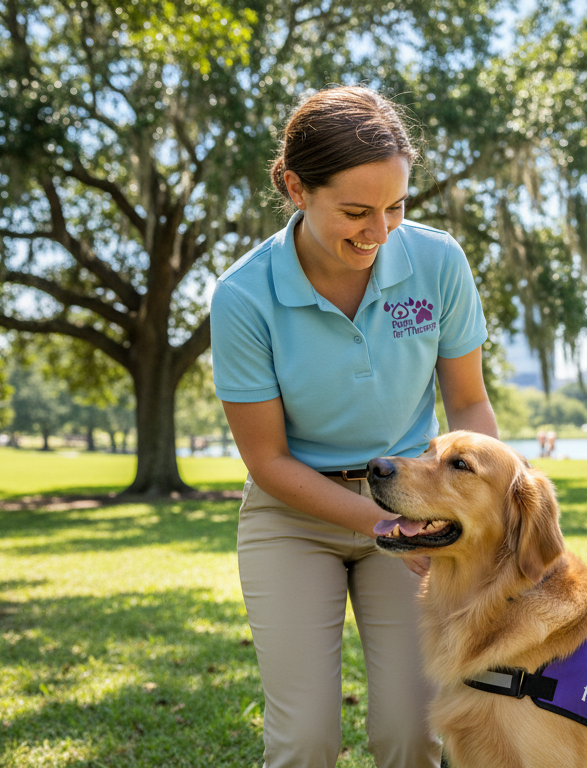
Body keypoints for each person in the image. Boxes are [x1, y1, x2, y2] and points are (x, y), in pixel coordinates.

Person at [210, 85, 498, 768]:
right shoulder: (243, 296)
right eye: (356, 211)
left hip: (415, 505)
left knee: (410, 732)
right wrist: (378, 524)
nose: (378, 231)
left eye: (396, 207)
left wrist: (480, 512)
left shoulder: (437, 262)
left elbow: (468, 403)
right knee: (305, 740)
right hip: (293, 513)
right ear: (295, 187)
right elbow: (268, 462)